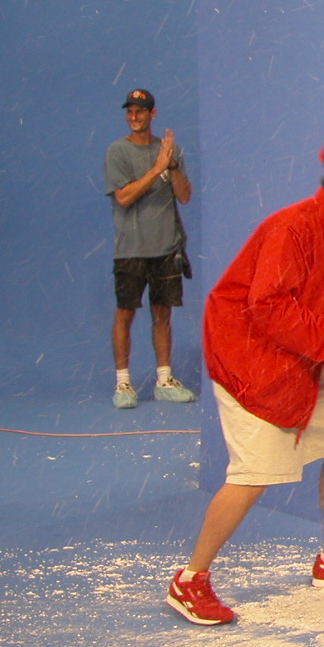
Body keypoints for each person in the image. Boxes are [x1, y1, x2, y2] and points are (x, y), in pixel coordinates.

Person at [166, 128, 324, 626]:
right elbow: (269, 309)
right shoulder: (293, 228)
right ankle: (190, 579)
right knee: (254, 476)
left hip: (299, 359)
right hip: (254, 364)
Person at [104, 89, 197, 409]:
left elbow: (184, 196)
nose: (134, 117)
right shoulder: (117, 151)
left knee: (163, 313)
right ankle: (123, 383)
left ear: (152, 114)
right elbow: (124, 197)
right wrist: (157, 168)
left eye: (140, 111)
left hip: (166, 248)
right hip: (130, 250)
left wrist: (172, 166)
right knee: (125, 314)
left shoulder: (171, 151)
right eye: (130, 112)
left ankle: (164, 379)